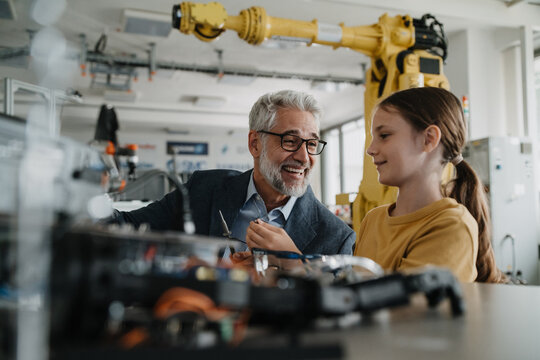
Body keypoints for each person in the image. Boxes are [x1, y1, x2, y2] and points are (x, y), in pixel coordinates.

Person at [110, 90, 355, 256]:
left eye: (311, 144)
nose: (304, 157)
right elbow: (126, 225)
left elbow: (334, 315)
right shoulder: (203, 189)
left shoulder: (336, 236)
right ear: (254, 144)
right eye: (290, 141)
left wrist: (293, 263)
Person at [353, 87, 505, 283]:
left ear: (429, 139)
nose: (371, 149)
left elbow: (411, 310)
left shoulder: (451, 225)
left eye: (384, 135)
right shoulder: (372, 219)